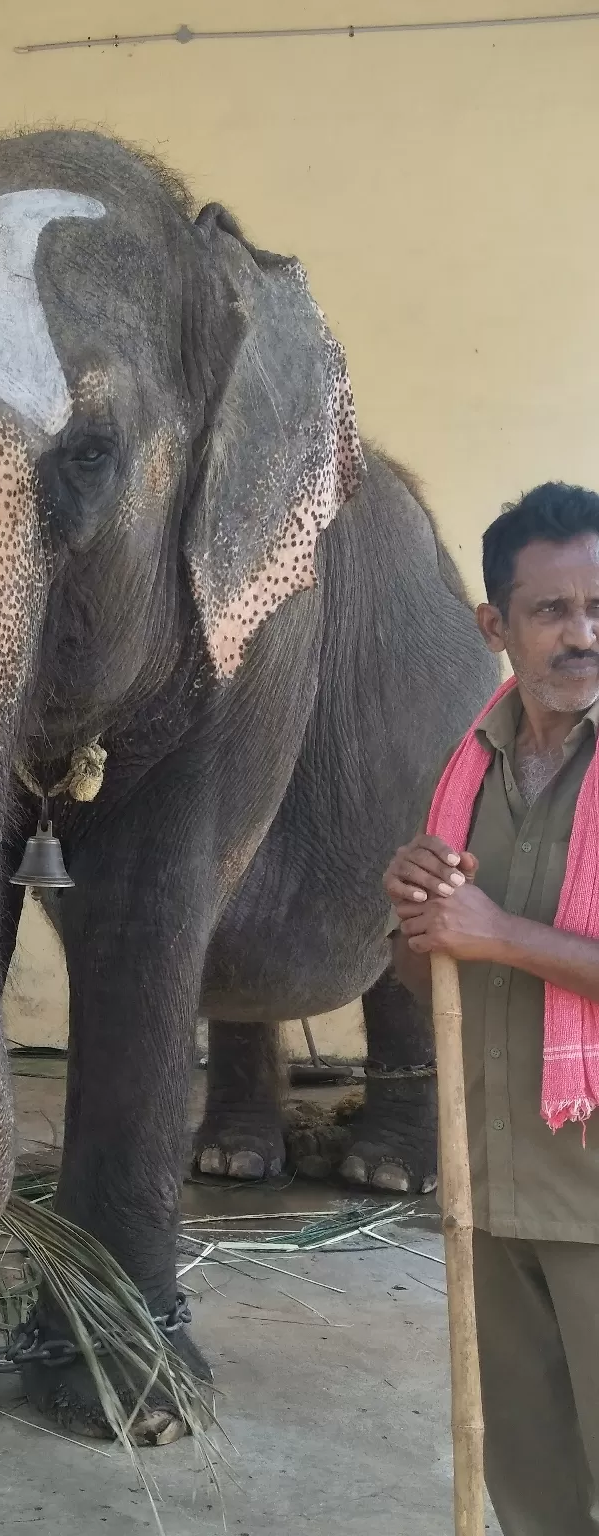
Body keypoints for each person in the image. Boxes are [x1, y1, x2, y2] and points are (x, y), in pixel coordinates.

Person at [383, 481, 599, 1535]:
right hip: (493, 1180)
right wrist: (423, 918)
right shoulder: (472, 769)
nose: (583, 633)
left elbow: (496, 945)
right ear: (495, 626)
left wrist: (499, 933)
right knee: (529, 1479)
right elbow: (434, 981)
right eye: (552, 610)